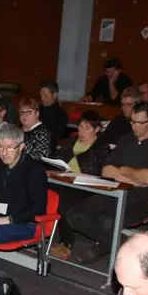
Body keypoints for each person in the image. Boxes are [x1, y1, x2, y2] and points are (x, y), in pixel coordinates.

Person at [66, 102, 148, 263]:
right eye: (132, 121)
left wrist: (121, 171)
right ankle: (121, 243)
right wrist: (130, 176)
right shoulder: (127, 139)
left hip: (145, 197)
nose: (134, 126)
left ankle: (102, 248)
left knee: (108, 220)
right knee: (75, 214)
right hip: (116, 190)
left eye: (139, 123)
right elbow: (106, 170)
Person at [51, 111, 113, 259]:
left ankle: (66, 243)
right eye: (80, 127)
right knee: (45, 191)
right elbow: (58, 159)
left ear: (97, 129)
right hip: (66, 181)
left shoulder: (101, 147)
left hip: (86, 188)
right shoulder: (71, 142)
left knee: (62, 199)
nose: (82, 131)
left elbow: (101, 172)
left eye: (87, 128)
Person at [0, 124, 47, 244]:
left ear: (21, 147)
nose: (4, 153)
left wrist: (7, 219)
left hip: (23, 223)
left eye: (9, 148)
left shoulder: (34, 171)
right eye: (0, 147)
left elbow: (38, 208)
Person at [38, 80, 68, 144]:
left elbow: (53, 138)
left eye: (45, 95)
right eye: (41, 95)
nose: (42, 98)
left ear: (55, 95)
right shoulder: (38, 109)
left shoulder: (61, 115)